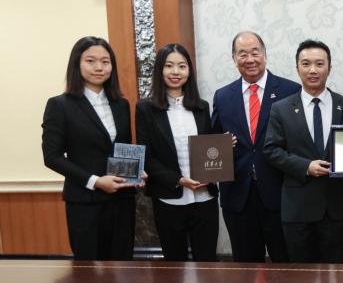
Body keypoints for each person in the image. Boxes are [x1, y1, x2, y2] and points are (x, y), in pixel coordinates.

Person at [42, 36, 140, 260]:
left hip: (122, 200)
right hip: (85, 202)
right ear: (77, 64)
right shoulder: (59, 105)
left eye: (105, 62)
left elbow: (122, 148)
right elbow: (52, 157)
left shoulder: (121, 104)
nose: (99, 67)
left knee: (123, 267)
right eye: (90, 61)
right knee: (89, 271)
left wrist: (135, 171)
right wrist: (95, 181)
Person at [211, 31, 301, 263]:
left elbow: (298, 140)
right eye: (242, 54)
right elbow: (213, 140)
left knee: (287, 266)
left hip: (280, 194)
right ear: (234, 59)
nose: (249, 59)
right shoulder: (222, 96)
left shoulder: (290, 91)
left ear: (265, 54)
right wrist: (221, 143)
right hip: (238, 196)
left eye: (255, 52)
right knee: (246, 268)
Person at [264, 40, 343, 263]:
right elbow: (271, 150)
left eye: (319, 64)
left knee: (336, 274)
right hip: (297, 208)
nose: (313, 70)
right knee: (301, 277)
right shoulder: (281, 108)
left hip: (335, 207)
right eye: (306, 64)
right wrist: (306, 166)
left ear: (329, 68)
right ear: (297, 68)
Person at [136, 43, 221, 262]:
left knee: (207, 262)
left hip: (204, 197)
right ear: (160, 70)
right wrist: (179, 180)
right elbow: (147, 157)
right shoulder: (145, 109)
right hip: (169, 199)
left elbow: (208, 149)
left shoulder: (202, 107)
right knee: (175, 264)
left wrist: (221, 152)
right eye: (169, 66)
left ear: (189, 71)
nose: (176, 72)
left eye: (182, 66)